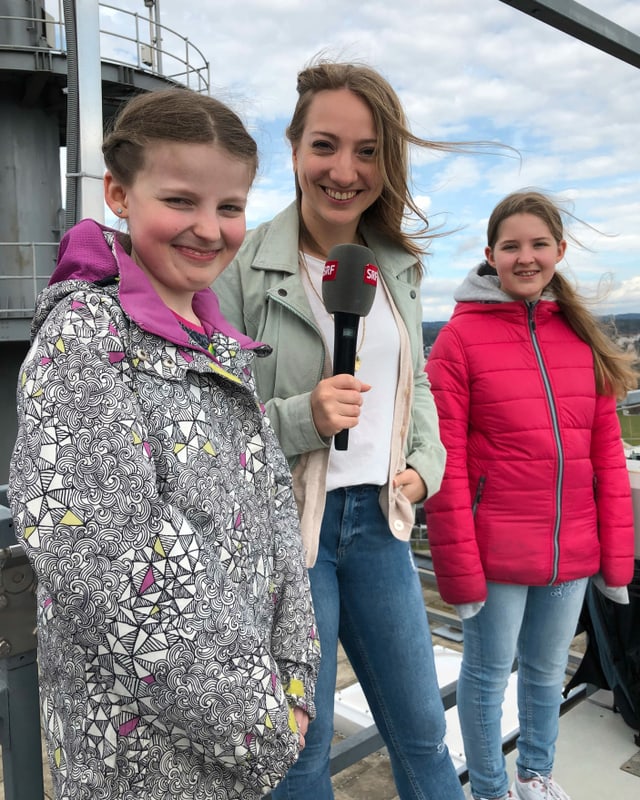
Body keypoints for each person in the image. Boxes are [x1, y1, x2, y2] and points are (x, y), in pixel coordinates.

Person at [8, 87, 319, 800]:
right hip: (137, 757)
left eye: (230, 207)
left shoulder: (221, 344)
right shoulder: (87, 335)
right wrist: (262, 718)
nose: (209, 229)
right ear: (119, 192)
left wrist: (295, 672)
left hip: (235, 738)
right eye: (181, 201)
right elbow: (102, 548)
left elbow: (275, 522)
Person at [214, 60, 465, 800]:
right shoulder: (239, 268)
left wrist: (427, 463)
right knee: (303, 745)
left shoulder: (396, 266)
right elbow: (207, 435)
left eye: (367, 152)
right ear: (292, 149)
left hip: (381, 528)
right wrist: (302, 418)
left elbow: (411, 386)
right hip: (289, 536)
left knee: (421, 728)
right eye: (325, 145)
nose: (344, 171)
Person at [424, 189, 637, 800]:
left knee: (546, 674)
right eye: (511, 246)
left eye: (538, 244)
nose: (526, 257)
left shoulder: (579, 338)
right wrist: (459, 567)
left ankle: (536, 779)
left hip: (570, 547)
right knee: (489, 676)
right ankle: (490, 790)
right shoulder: (459, 341)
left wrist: (613, 558)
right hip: (495, 550)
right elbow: (448, 463)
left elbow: (605, 457)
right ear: (490, 255)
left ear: (559, 251)